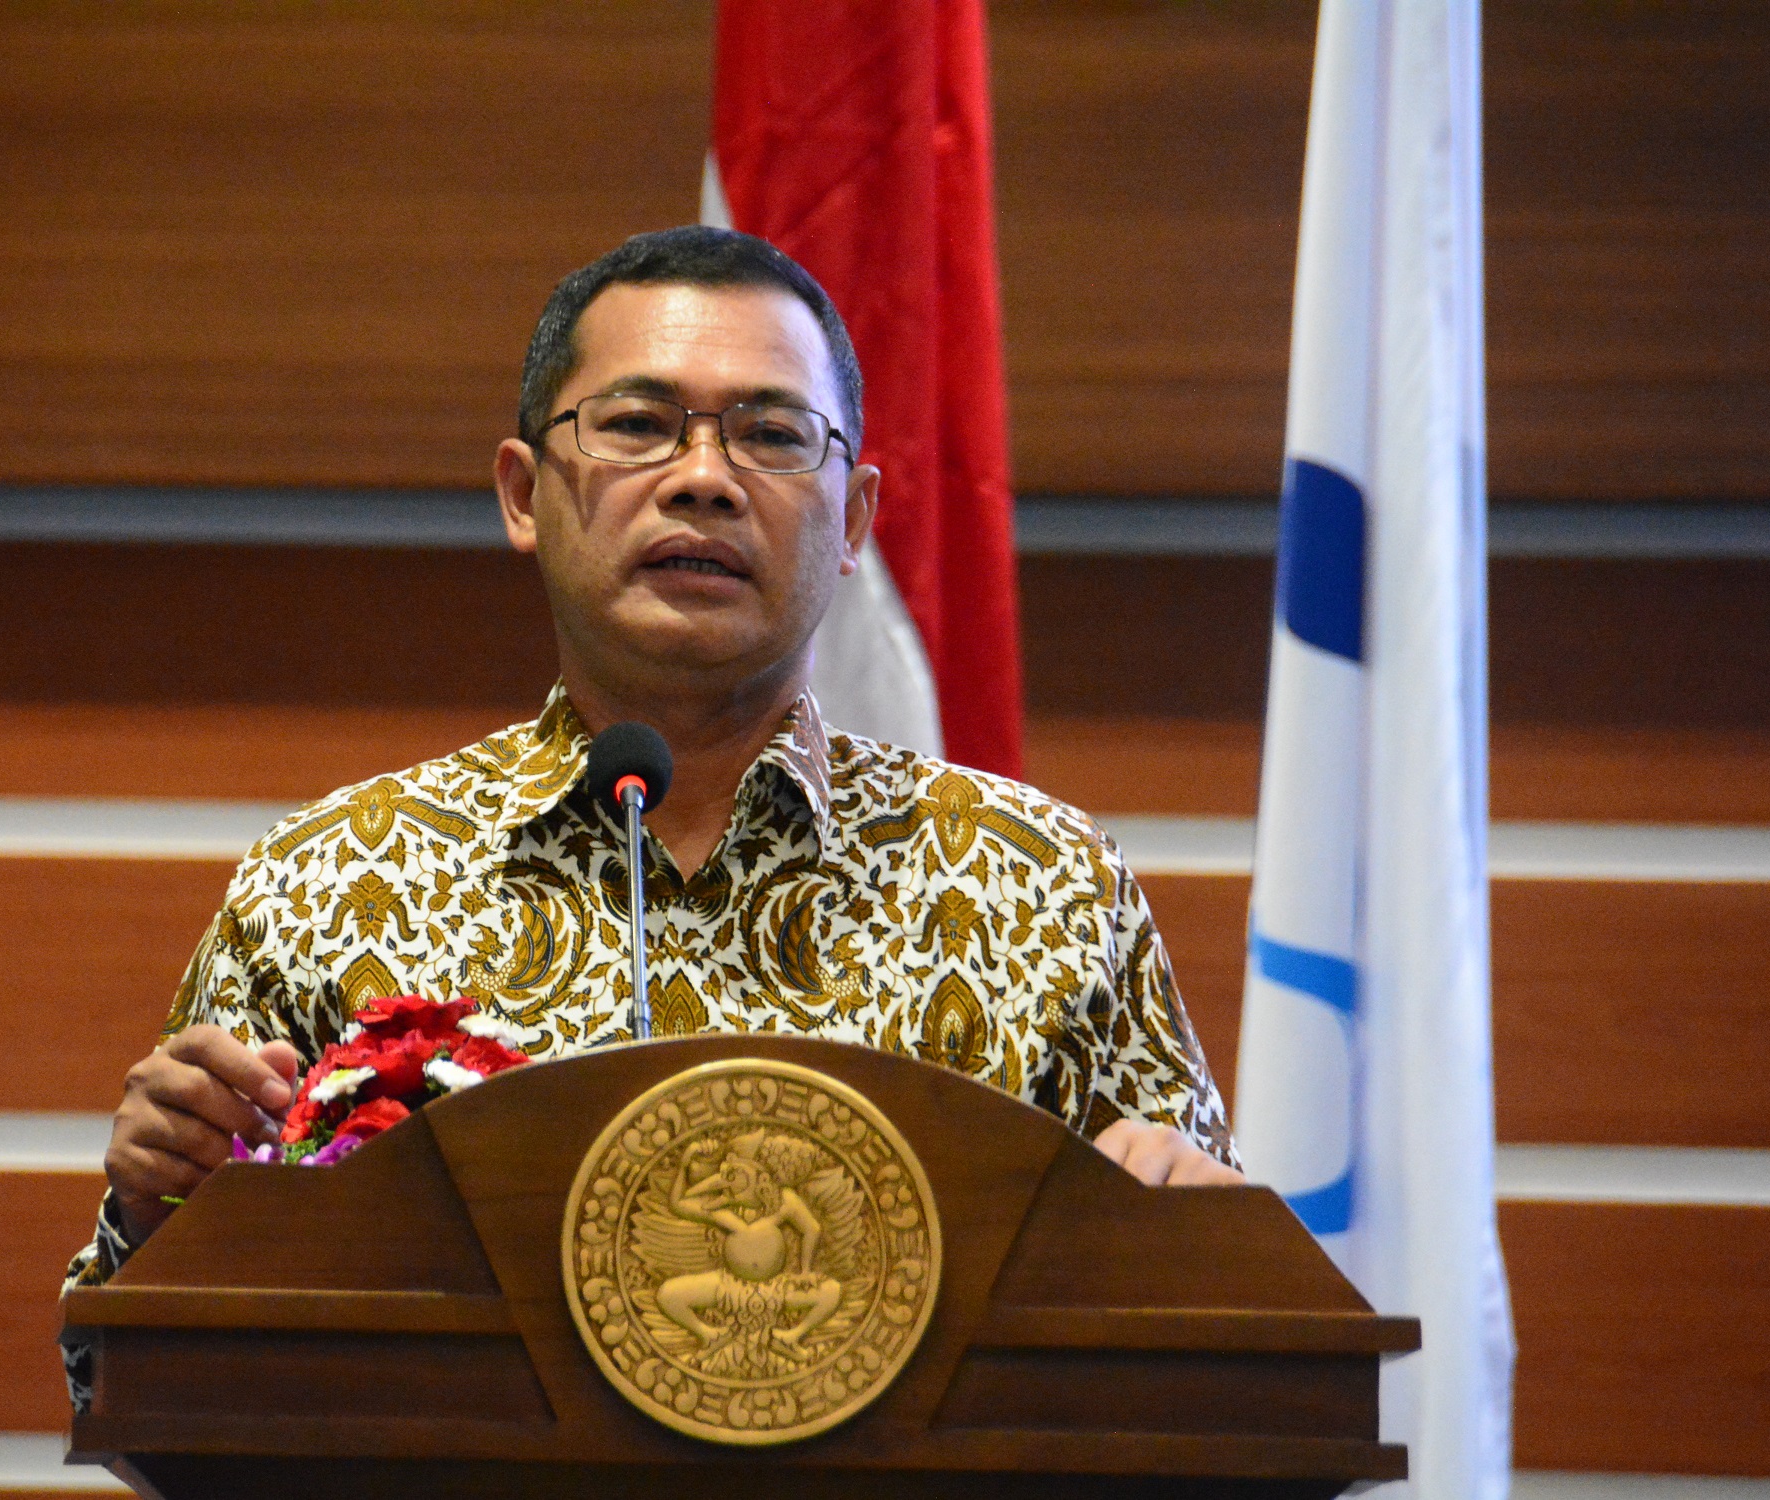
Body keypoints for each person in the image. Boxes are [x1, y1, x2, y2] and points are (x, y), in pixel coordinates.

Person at [62, 226, 1240, 1407]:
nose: (704, 477)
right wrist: (152, 1208)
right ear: (524, 496)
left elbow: (1231, 1366)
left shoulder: (1041, 882)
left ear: (857, 522)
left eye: (773, 435)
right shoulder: (329, 882)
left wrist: (1196, 1251)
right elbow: (119, 1382)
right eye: (636, 426)